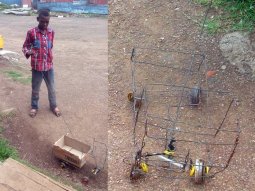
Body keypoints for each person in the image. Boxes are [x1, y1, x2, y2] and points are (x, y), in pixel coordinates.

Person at [22, 9, 61, 118]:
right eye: (42, 21)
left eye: (47, 22)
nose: (44, 24)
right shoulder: (31, 32)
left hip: (49, 66)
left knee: (52, 88)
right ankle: (34, 107)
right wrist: (28, 52)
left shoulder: (51, 32)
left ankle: (53, 106)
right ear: (38, 19)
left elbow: (50, 46)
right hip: (37, 67)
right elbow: (25, 46)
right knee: (35, 89)